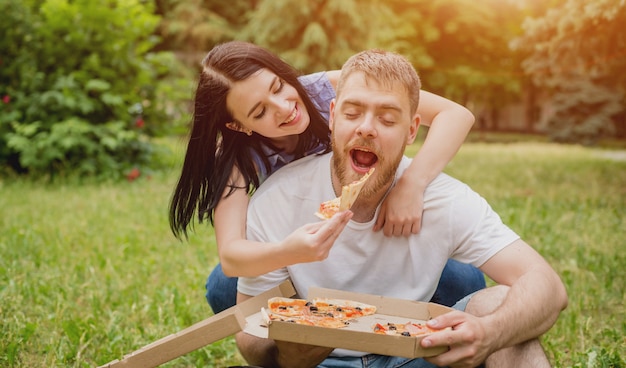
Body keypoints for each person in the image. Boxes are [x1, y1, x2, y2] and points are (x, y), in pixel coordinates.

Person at [235, 49, 568, 368]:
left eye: (388, 118)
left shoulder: (444, 199)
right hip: (322, 365)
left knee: (497, 305)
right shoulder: (276, 200)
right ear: (333, 116)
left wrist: (490, 333)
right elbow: (248, 340)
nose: (366, 127)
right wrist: (293, 351)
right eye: (352, 113)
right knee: (224, 284)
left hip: (419, 354)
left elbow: (547, 285)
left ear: (412, 130)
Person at [168, 41, 483, 314]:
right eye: (259, 111)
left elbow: (456, 115)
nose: (284, 107)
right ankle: (311, 337)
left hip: (379, 234)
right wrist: (291, 251)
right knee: (223, 287)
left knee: (465, 280)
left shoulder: (329, 89)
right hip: (305, 255)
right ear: (239, 126)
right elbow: (232, 257)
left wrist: (410, 186)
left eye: (278, 87)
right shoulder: (233, 157)